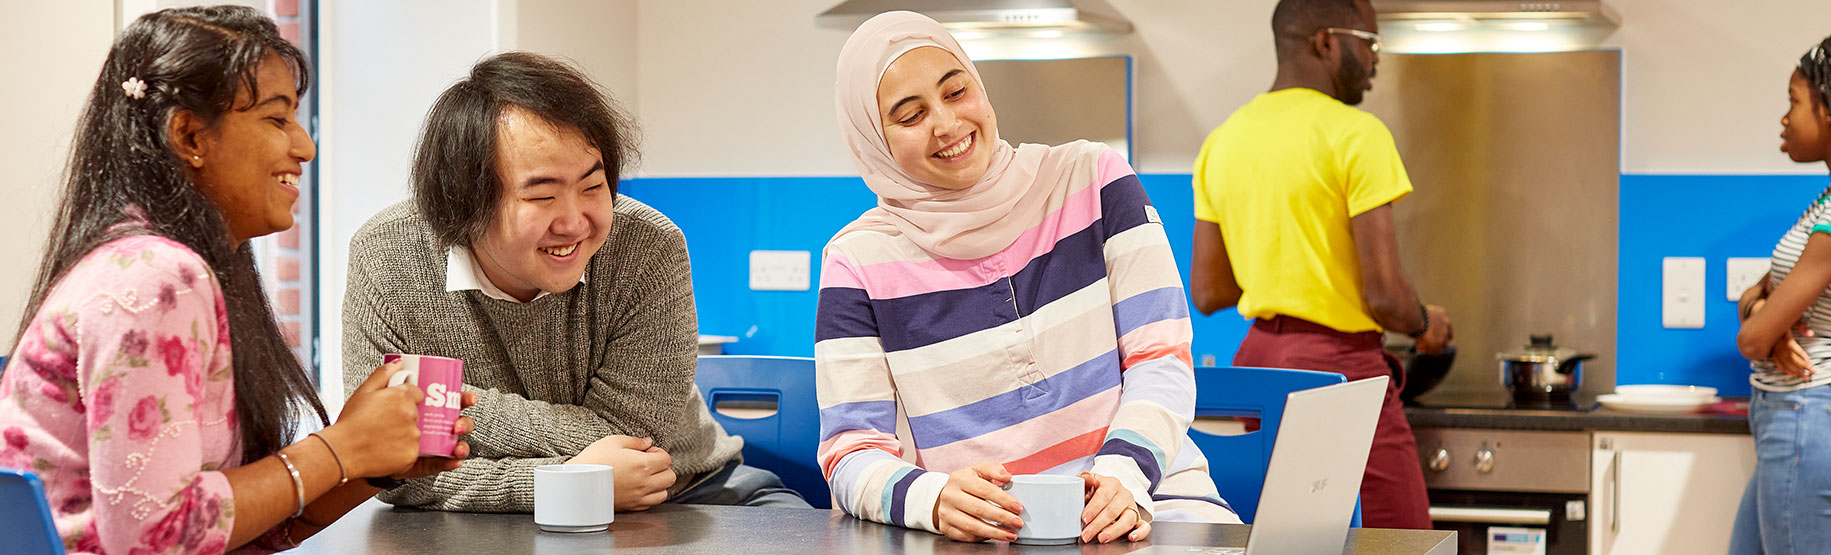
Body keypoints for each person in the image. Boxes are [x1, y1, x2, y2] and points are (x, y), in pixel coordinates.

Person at [0, 6, 473, 553]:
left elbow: (246, 529)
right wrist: (341, 447)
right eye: (277, 119)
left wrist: (372, 464)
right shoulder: (156, 279)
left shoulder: (171, 268)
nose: (305, 146)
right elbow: (159, 539)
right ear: (189, 135)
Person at [816, 11, 1240, 545]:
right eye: (910, 115)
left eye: (956, 91)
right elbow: (852, 452)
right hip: (992, 535)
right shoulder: (856, 261)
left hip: (1150, 502)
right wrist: (934, 498)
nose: (946, 124)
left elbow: (1160, 361)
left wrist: (1123, 475)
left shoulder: (1095, 181)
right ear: (872, 140)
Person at [341, 51, 807, 512]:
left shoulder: (647, 248)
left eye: (592, 186)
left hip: (681, 491)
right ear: (464, 200)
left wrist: (451, 409)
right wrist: (557, 486)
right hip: (485, 513)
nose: (574, 222)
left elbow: (633, 441)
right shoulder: (387, 257)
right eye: (542, 195)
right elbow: (389, 469)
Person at [1187, 0, 1449, 530]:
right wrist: (1427, 324)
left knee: (1288, 541)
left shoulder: (1223, 141)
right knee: (1405, 540)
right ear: (1327, 42)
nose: (1376, 60)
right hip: (1340, 374)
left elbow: (1210, 292)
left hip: (1257, 368)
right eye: (1370, 43)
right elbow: (1385, 297)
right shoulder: (1357, 134)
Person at [1729, 32, 1831, 555]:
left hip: (1810, 417)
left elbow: (1752, 341)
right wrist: (1765, 317)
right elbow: (1755, 297)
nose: (1784, 118)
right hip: (1800, 417)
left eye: (1793, 102)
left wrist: (1766, 328)